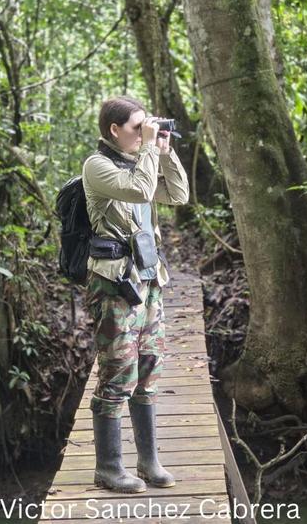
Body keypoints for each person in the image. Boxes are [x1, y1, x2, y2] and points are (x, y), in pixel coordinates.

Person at [81, 95, 190, 493]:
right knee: (118, 372)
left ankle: (149, 462)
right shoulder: (98, 166)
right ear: (114, 130)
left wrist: (164, 151)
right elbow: (141, 191)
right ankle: (109, 467)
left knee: (148, 369)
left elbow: (176, 195)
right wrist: (147, 151)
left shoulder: (138, 160)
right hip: (114, 285)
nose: (142, 133)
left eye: (145, 126)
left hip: (148, 280)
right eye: (136, 127)